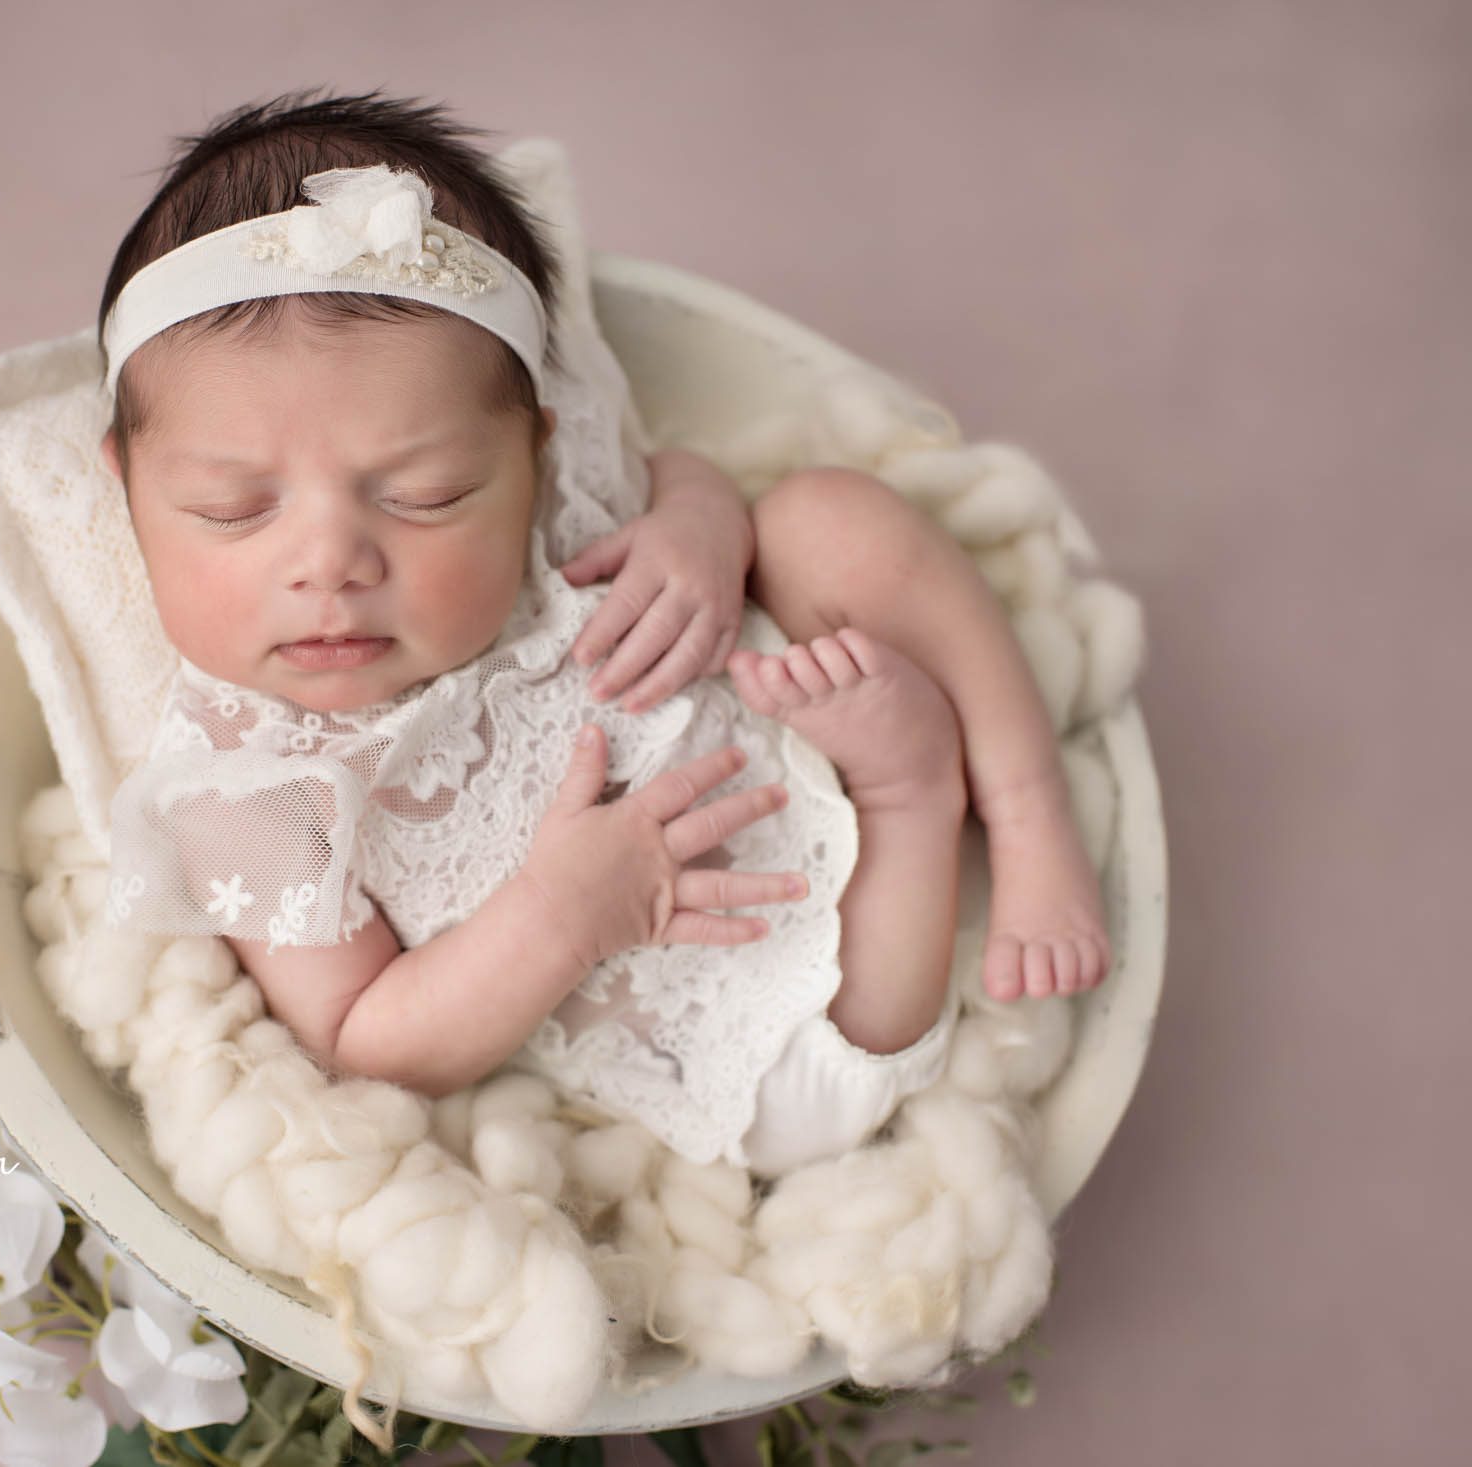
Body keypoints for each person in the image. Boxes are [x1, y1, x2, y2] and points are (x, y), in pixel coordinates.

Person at [94, 89, 1107, 1174]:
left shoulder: (551, 495)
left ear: (528, 453)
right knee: (808, 1112)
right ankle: (918, 794)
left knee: (829, 520)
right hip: (728, 1007)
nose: (329, 563)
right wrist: (560, 916)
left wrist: (696, 528)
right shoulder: (240, 782)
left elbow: (674, 472)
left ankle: (1023, 807)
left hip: (781, 693)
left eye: (428, 494)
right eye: (232, 510)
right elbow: (363, 1037)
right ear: (128, 483)